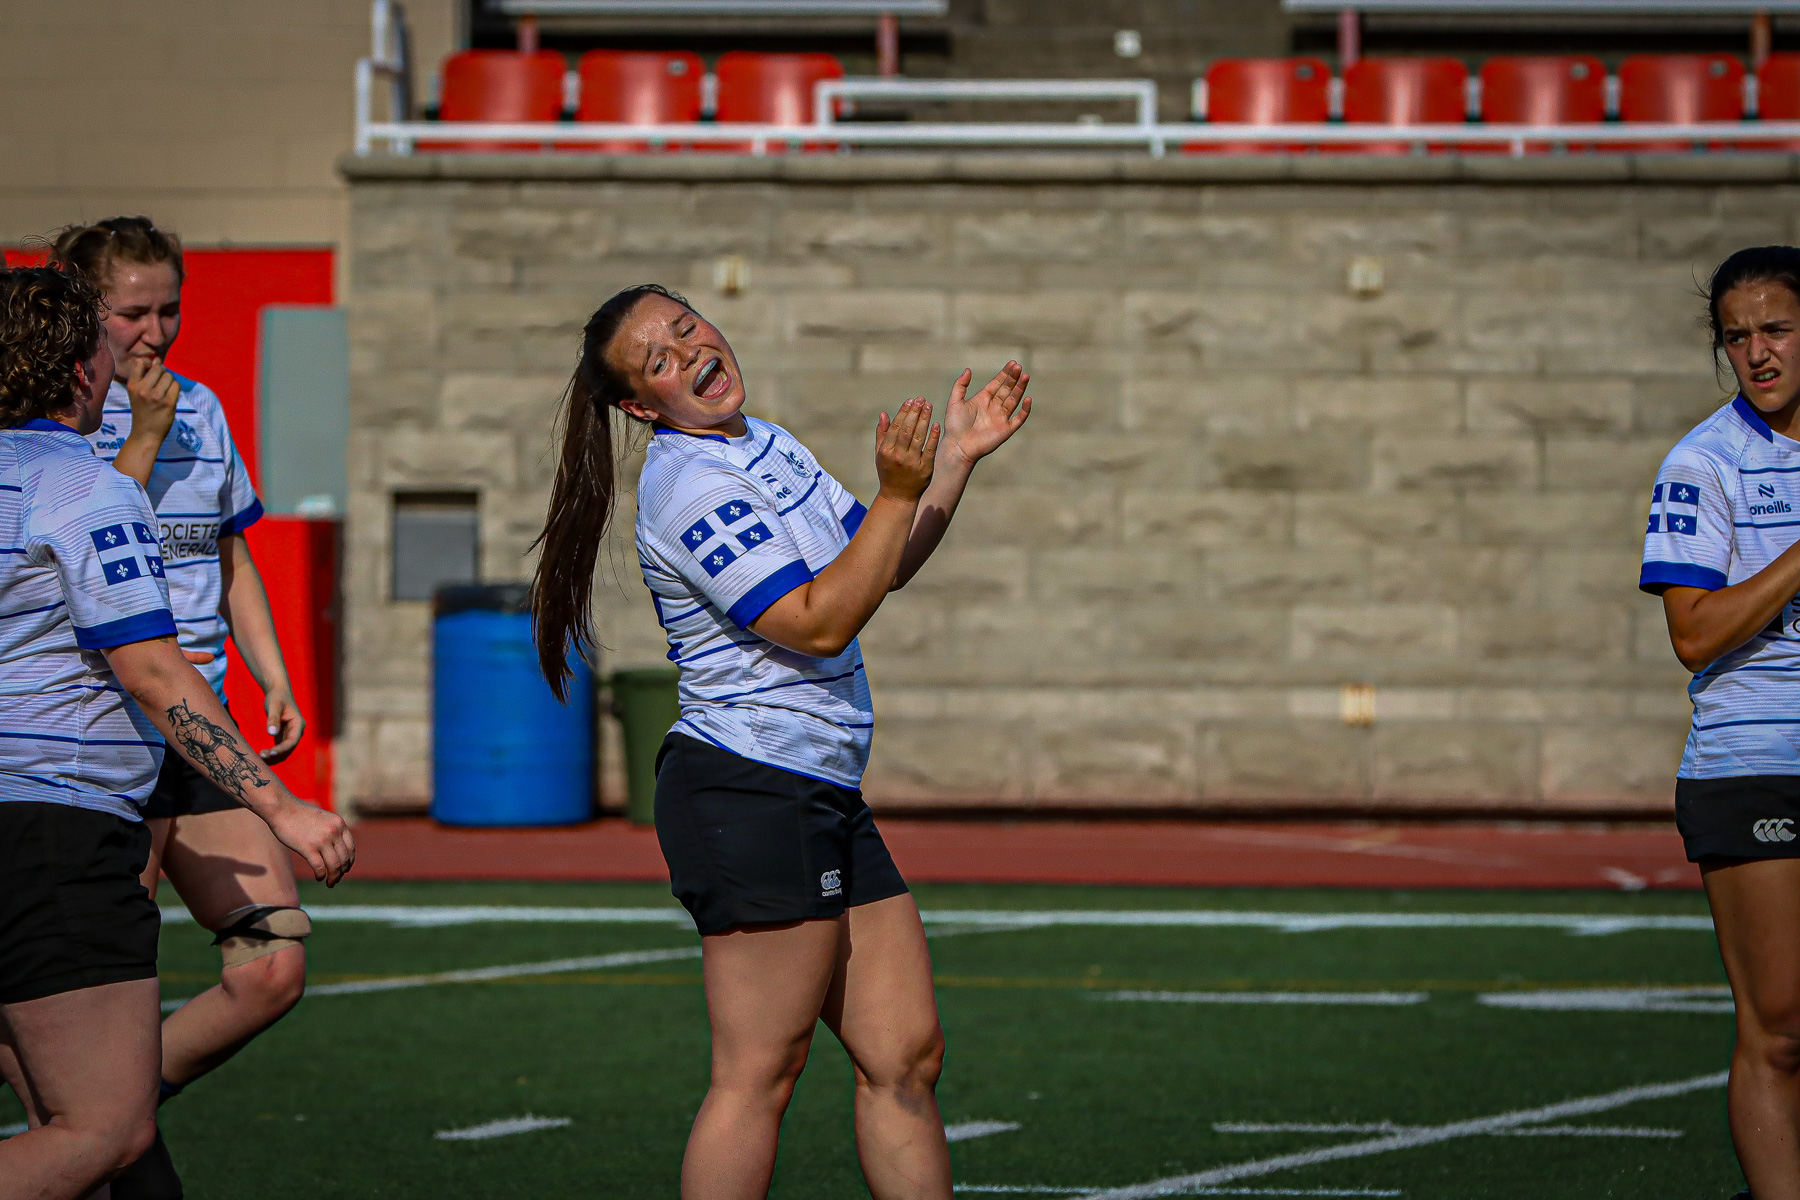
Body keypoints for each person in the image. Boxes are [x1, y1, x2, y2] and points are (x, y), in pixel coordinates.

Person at [531, 284, 1030, 1199]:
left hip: (818, 787)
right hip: (750, 788)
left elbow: (878, 564)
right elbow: (817, 622)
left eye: (687, 329)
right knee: (759, 1074)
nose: (692, 353)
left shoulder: (765, 441)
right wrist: (895, 490)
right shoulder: (691, 485)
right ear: (644, 406)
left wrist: (951, 462)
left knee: (907, 1056)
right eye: (662, 361)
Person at [0, 264, 352, 1200]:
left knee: (85, 1124)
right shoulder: (84, 487)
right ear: (81, 368)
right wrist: (282, 805)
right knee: (98, 1135)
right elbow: (154, 673)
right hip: (54, 824)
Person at [1642, 244, 1800, 1200]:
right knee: (1780, 1026)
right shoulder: (1702, 463)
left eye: (1776, 328)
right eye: (1737, 338)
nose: (1758, 353)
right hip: (1757, 763)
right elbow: (1693, 634)